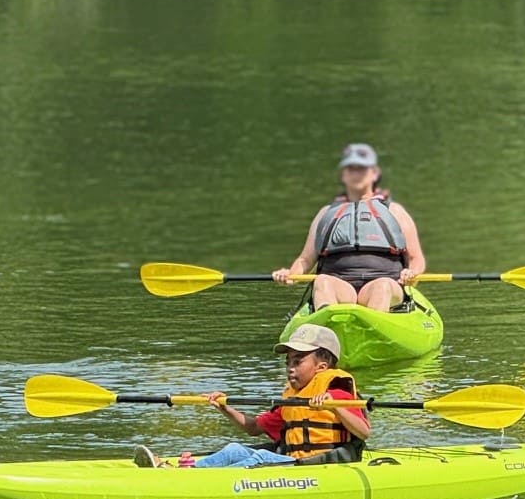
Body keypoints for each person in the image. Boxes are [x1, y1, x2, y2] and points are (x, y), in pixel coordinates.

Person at [136, 325, 369, 468]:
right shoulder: (292, 398)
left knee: (258, 460)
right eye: (288, 361)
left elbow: (363, 431)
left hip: (324, 464)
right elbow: (254, 428)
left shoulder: (337, 390)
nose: (290, 368)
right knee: (234, 450)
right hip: (291, 459)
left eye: (298, 361)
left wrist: (335, 407)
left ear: (321, 366)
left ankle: (193, 479)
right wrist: (225, 408)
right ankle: (186, 470)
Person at [272, 143, 426, 312]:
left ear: (374, 173)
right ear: (343, 175)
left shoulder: (394, 211)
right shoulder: (325, 213)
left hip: (386, 283)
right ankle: (328, 328)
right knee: (322, 281)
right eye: (351, 168)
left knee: (381, 287)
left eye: (361, 168)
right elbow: (305, 259)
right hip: (340, 286)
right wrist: (291, 275)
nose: (356, 174)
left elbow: (415, 258)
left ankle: (372, 329)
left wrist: (412, 273)